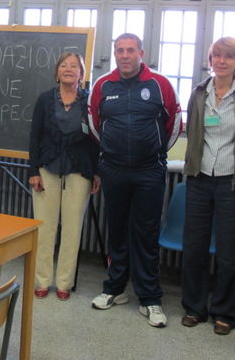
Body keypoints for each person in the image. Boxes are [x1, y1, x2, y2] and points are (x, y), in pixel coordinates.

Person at [88, 32, 182, 327]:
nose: (125, 55)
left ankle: (150, 298)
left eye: (130, 50)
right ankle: (114, 289)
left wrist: (156, 153)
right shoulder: (103, 85)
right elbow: (94, 125)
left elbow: (174, 124)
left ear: (141, 53)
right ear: (114, 54)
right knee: (116, 231)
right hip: (114, 170)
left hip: (149, 171)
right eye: (120, 50)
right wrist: (111, 152)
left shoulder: (160, 84)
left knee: (146, 234)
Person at [181, 37, 235, 335]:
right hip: (199, 178)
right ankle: (194, 308)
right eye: (217, 55)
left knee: (228, 253)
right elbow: (193, 131)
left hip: (232, 181)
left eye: (229, 56)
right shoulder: (199, 94)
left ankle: (224, 312)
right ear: (210, 60)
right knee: (194, 248)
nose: (222, 61)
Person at [28, 52, 100, 301]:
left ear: (81, 73)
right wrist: (33, 170)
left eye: (74, 66)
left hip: (80, 171)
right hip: (47, 169)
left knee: (72, 229)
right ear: (57, 72)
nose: (68, 69)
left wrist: (96, 172)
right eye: (63, 65)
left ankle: (64, 283)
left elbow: (96, 140)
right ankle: (42, 280)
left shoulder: (90, 102)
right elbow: (34, 136)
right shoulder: (45, 99)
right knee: (44, 228)